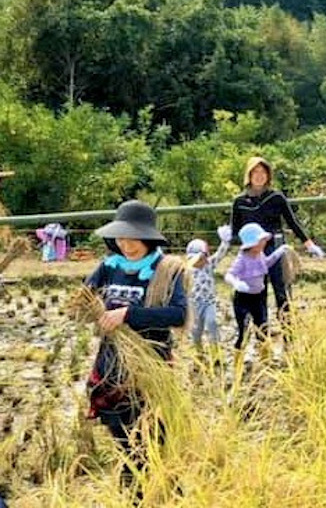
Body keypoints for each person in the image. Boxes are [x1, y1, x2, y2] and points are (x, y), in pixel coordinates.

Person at [83, 200, 188, 495]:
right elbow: (84, 298)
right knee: (125, 443)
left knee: (153, 438)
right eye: (121, 237)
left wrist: (128, 315)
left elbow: (178, 314)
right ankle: (134, 495)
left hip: (149, 368)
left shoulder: (168, 270)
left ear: (148, 236)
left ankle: (166, 492)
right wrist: (87, 308)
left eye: (133, 238)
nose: (126, 245)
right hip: (111, 368)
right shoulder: (107, 267)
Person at [229, 157, 324, 333]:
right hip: (252, 254)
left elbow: (293, 222)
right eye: (255, 172)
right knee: (258, 294)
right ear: (249, 175)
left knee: (281, 291)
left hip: (274, 247)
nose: (259, 176)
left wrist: (309, 244)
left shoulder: (276, 197)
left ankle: (289, 333)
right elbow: (235, 232)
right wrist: (234, 240)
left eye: (263, 172)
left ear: (268, 175)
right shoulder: (240, 202)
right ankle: (262, 334)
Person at [225, 223, 290, 350]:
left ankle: (264, 358)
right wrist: (237, 283)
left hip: (258, 297)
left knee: (262, 328)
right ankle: (238, 360)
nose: (264, 243)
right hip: (243, 298)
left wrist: (279, 252)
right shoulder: (242, 259)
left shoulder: (260, 255)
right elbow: (229, 275)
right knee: (244, 331)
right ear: (252, 243)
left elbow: (266, 264)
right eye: (261, 241)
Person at [185, 224, 232, 355]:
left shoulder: (209, 265)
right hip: (194, 304)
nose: (199, 261)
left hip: (209, 302)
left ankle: (215, 350)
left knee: (212, 323)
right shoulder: (187, 270)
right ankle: (198, 349)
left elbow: (221, 253)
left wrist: (225, 241)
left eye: (202, 258)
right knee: (196, 330)